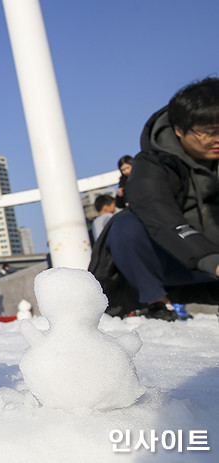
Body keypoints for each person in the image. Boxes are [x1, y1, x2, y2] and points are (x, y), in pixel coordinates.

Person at [90, 77, 219, 320]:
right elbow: (158, 213)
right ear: (179, 130)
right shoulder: (151, 166)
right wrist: (210, 259)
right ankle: (156, 302)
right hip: (175, 261)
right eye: (209, 132)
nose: (217, 139)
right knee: (125, 227)